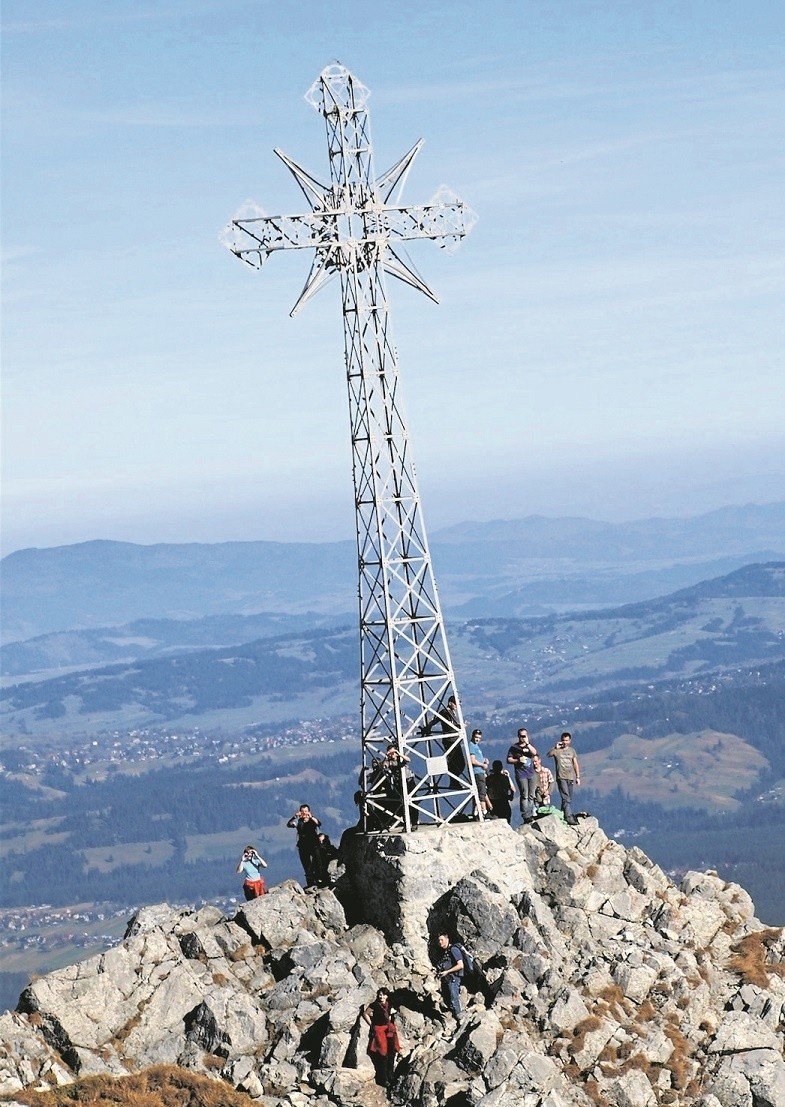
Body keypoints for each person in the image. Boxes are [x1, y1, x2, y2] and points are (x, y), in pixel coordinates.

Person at [362, 987, 401, 1087]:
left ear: (387, 996)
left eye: (383, 995)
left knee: (391, 1052)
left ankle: (391, 1076)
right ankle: (383, 1079)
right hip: (379, 1030)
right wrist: (372, 1024)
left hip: (388, 1029)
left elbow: (389, 1015)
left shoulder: (389, 1004)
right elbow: (365, 1013)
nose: (381, 996)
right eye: (380, 994)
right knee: (383, 1054)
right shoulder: (375, 1004)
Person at [286, 804, 327, 888]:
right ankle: (310, 883)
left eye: (305, 811)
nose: (304, 813)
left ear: (309, 811)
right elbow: (289, 825)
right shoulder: (298, 821)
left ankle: (320, 880)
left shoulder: (312, 820)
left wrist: (311, 817)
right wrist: (294, 817)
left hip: (314, 844)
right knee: (306, 865)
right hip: (303, 845)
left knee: (318, 862)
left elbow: (318, 823)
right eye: (302, 811)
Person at [547, 731, 581, 824]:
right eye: (563, 740)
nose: (565, 742)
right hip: (561, 777)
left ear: (570, 741)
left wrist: (577, 776)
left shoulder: (572, 751)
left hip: (570, 777)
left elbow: (575, 764)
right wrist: (555, 747)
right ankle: (569, 817)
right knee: (566, 797)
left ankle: (563, 814)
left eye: (566, 740)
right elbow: (549, 754)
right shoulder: (557, 750)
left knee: (568, 798)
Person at [506, 727, 538, 823]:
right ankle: (525, 814)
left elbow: (535, 753)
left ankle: (530, 813)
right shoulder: (514, 748)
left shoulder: (530, 746)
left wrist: (527, 744)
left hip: (531, 773)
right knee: (525, 794)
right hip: (521, 774)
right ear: (518, 736)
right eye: (521, 736)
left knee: (531, 794)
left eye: (524, 736)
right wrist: (517, 760)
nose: (522, 738)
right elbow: (508, 759)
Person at [434, 932, 464, 1022]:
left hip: (454, 978)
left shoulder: (454, 949)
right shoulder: (446, 952)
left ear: (447, 939)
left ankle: (460, 1018)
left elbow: (460, 965)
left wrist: (447, 971)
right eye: (439, 940)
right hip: (449, 979)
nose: (440, 942)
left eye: (442, 940)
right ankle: (455, 1018)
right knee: (449, 999)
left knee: (454, 999)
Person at [468, 729, 492, 816]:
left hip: (480, 771)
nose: (477, 739)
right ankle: (484, 811)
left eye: (479, 738)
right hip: (477, 772)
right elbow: (472, 760)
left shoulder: (476, 746)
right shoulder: (472, 746)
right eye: (476, 737)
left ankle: (476, 811)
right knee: (482, 791)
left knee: (481, 791)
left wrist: (483, 760)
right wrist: (482, 765)